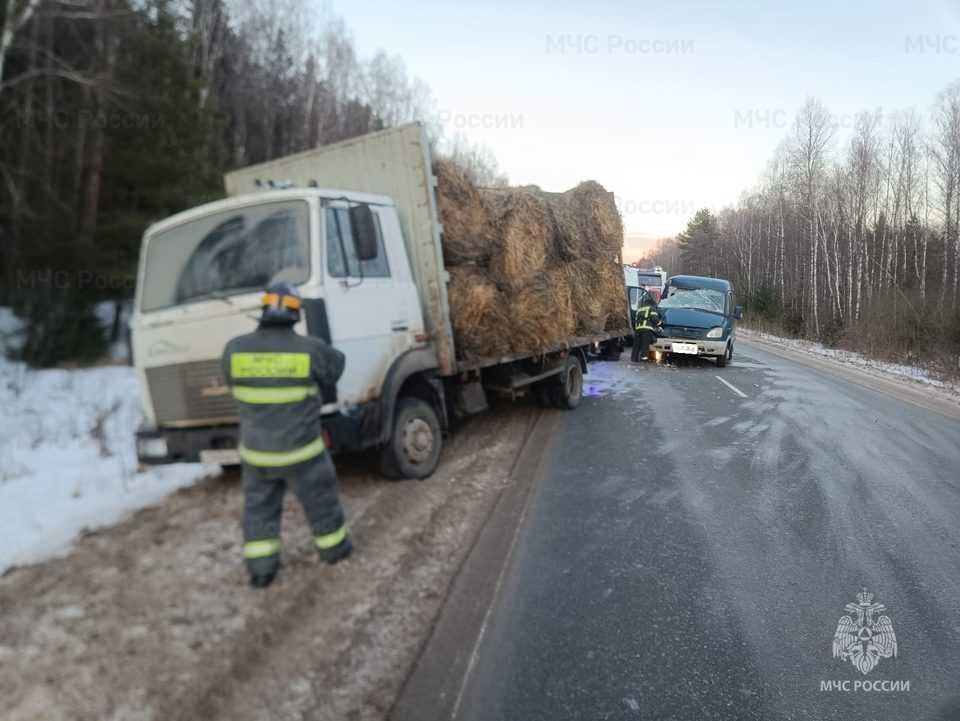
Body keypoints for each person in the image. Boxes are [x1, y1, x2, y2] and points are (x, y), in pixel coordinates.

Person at [222, 283, 351, 588]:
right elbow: (337, 367)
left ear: (263, 312)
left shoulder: (235, 349)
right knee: (321, 502)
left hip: (256, 455)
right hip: (302, 453)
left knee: (259, 509)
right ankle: (335, 552)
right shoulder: (310, 349)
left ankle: (262, 571)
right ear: (296, 314)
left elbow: (231, 381)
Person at [631, 290, 662, 362]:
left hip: (638, 330)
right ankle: (643, 360)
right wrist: (660, 323)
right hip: (647, 330)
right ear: (651, 304)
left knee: (636, 346)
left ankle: (634, 359)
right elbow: (655, 319)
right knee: (645, 345)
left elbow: (636, 319)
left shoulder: (639, 309)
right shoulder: (652, 308)